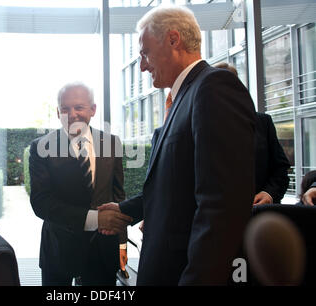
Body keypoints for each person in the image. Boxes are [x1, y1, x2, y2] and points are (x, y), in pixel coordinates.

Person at [98, 5, 257, 285]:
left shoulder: (214, 87)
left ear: (173, 40)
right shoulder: (183, 97)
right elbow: (174, 184)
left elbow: (221, 207)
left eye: (145, 53)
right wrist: (126, 210)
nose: (143, 65)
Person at [29, 82, 132, 286]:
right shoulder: (41, 147)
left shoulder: (112, 144)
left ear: (93, 109)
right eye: (65, 109)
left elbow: (118, 197)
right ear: (58, 113)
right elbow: (41, 203)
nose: (73, 114)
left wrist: (122, 246)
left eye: (79, 107)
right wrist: (94, 219)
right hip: (59, 251)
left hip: (103, 251)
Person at [214, 62, 291, 205]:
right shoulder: (203, 127)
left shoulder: (263, 123)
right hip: (222, 217)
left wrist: (269, 193)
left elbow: (281, 170)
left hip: (259, 214)